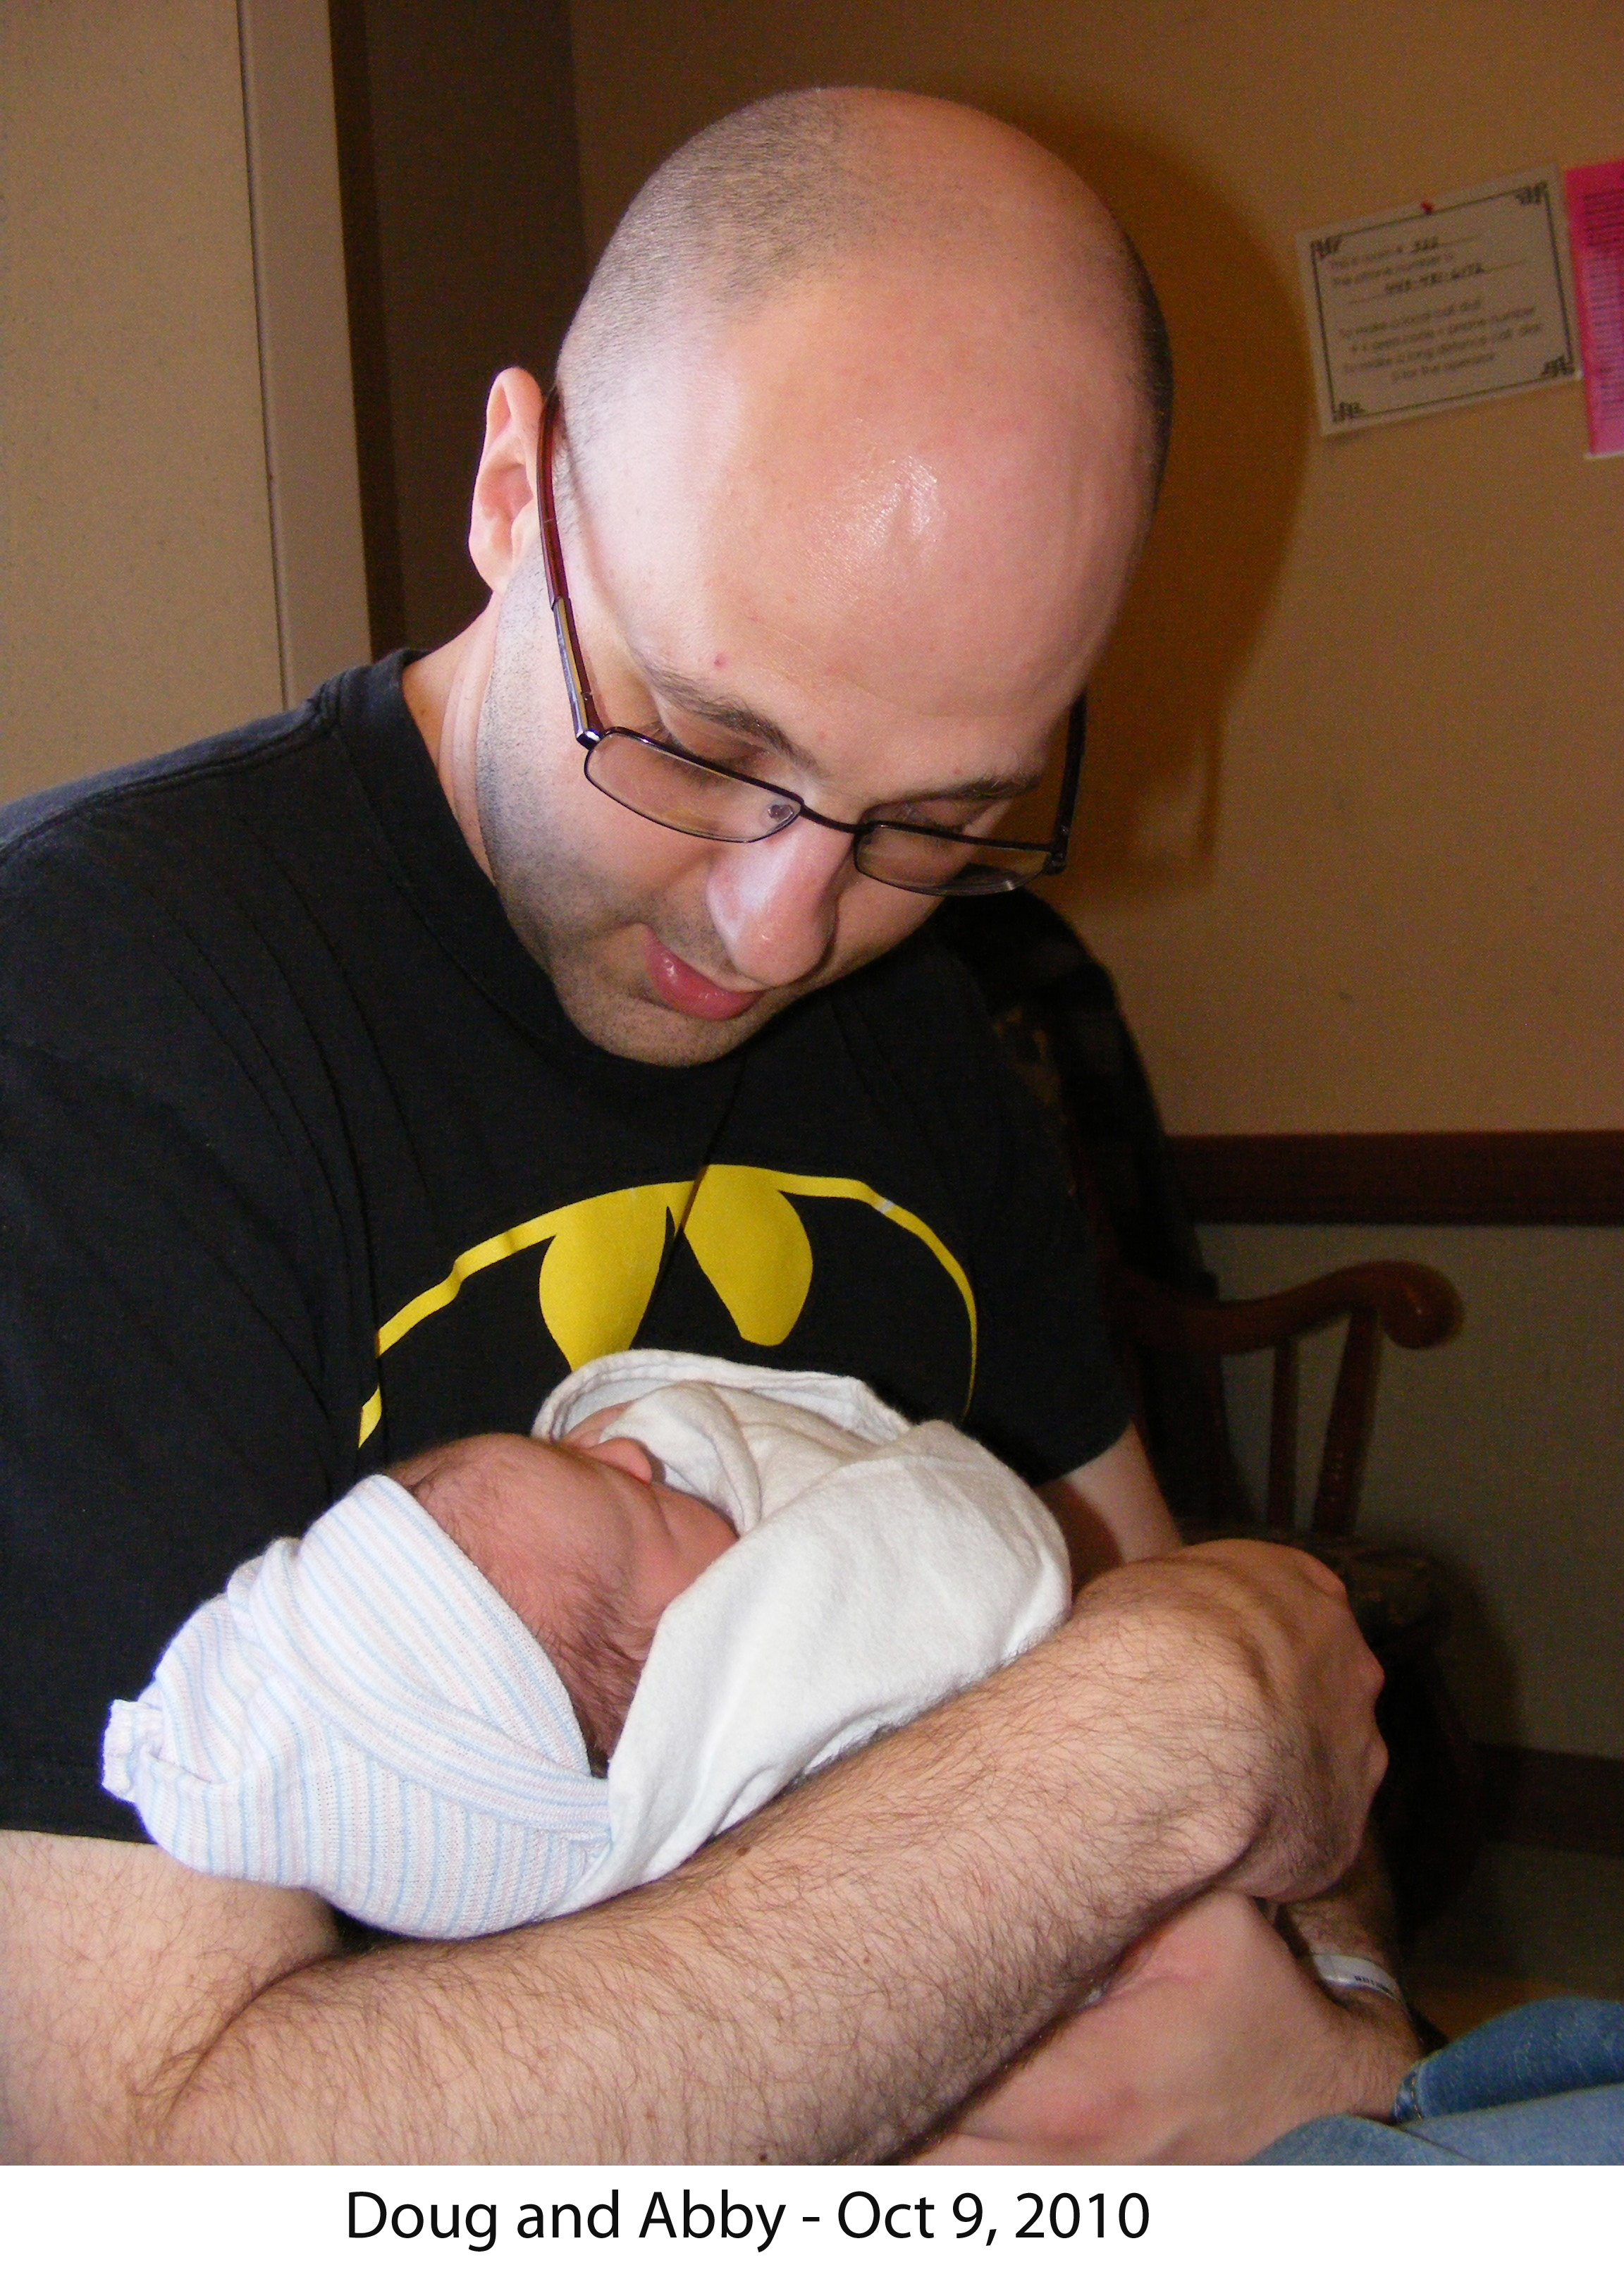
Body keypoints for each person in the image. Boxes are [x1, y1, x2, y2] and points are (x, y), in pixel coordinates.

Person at [1, 86, 1415, 2162]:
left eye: (940, 817)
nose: (780, 925)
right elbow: (140, 2180)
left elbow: (1274, 1789)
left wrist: (1347, 2023)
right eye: (697, 733)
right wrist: (1116, 1756)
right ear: (516, 487)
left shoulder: (924, 1039)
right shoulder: (94, 1015)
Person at [102, 1351, 1071, 1938]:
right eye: (641, 1506)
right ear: (660, 1706)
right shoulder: (765, 1703)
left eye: (571, 1456)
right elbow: (974, 1550)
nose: (634, 1451)